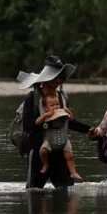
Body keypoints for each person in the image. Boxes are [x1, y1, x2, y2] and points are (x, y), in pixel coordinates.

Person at [18, 55, 92, 189]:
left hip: (59, 151)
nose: (58, 81)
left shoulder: (62, 97)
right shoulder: (33, 98)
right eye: (55, 77)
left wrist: (90, 130)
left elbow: (68, 122)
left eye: (60, 77)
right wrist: (46, 119)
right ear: (46, 79)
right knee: (34, 193)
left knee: (66, 192)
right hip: (39, 153)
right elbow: (28, 125)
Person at [37, 92, 83, 182]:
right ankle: (45, 164)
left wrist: (68, 111)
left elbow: (71, 119)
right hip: (49, 139)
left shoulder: (62, 113)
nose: (56, 107)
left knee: (69, 156)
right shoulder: (46, 115)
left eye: (57, 104)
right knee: (42, 151)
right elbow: (37, 122)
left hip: (64, 138)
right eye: (52, 105)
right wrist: (45, 115)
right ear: (46, 108)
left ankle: (73, 172)